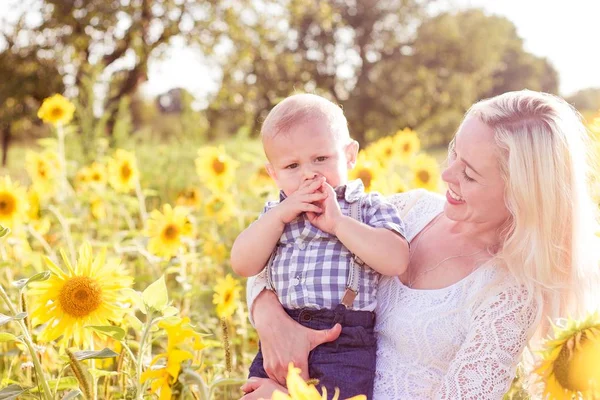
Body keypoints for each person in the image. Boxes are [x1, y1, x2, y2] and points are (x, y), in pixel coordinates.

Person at [240, 90, 600, 399]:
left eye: (469, 173)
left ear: (522, 194)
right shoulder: (409, 209)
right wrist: (271, 318)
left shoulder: (510, 293)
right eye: (454, 153)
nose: (446, 174)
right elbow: (281, 257)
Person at [230, 93, 410, 398]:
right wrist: (279, 217)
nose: (308, 174)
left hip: (342, 343)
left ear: (350, 155)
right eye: (292, 166)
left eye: (321, 158)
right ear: (273, 174)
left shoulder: (365, 207)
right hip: (281, 335)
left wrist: (339, 224)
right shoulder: (275, 215)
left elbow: (397, 260)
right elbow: (242, 263)